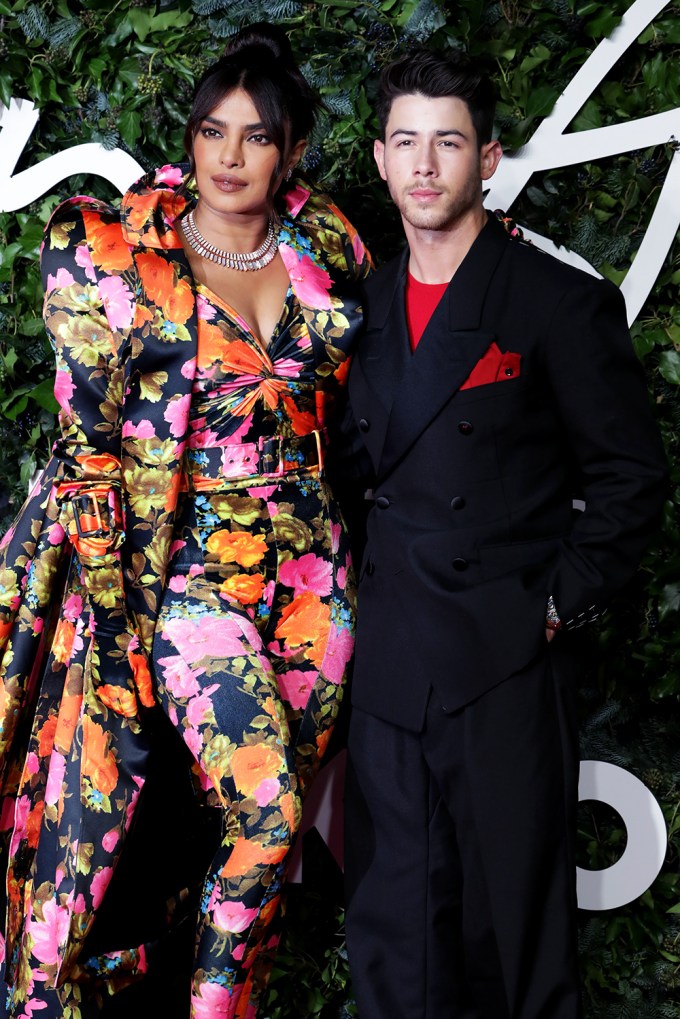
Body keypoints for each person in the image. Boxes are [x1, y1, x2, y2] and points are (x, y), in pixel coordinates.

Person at [0, 22, 370, 1019]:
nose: (229, 157)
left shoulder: (325, 243)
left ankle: (206, 989)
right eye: (212, 132)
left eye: (254, 137)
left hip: (313, 577)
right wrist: (118, 623)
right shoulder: (121, 252)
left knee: (257, 840)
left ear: (290, 151)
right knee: (267, 812)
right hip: (190, 578)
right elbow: (88, 459)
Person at [342, 47, 667, 1019]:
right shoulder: (353, 312)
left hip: (503, 673)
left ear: (487, 157)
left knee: (515, 950)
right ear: (380, 157)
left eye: (447, 141)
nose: (424, 165)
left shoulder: (555, 302)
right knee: (396, 951)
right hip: (389, 676)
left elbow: (628, 476)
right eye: (406, 142)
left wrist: (554, 606)